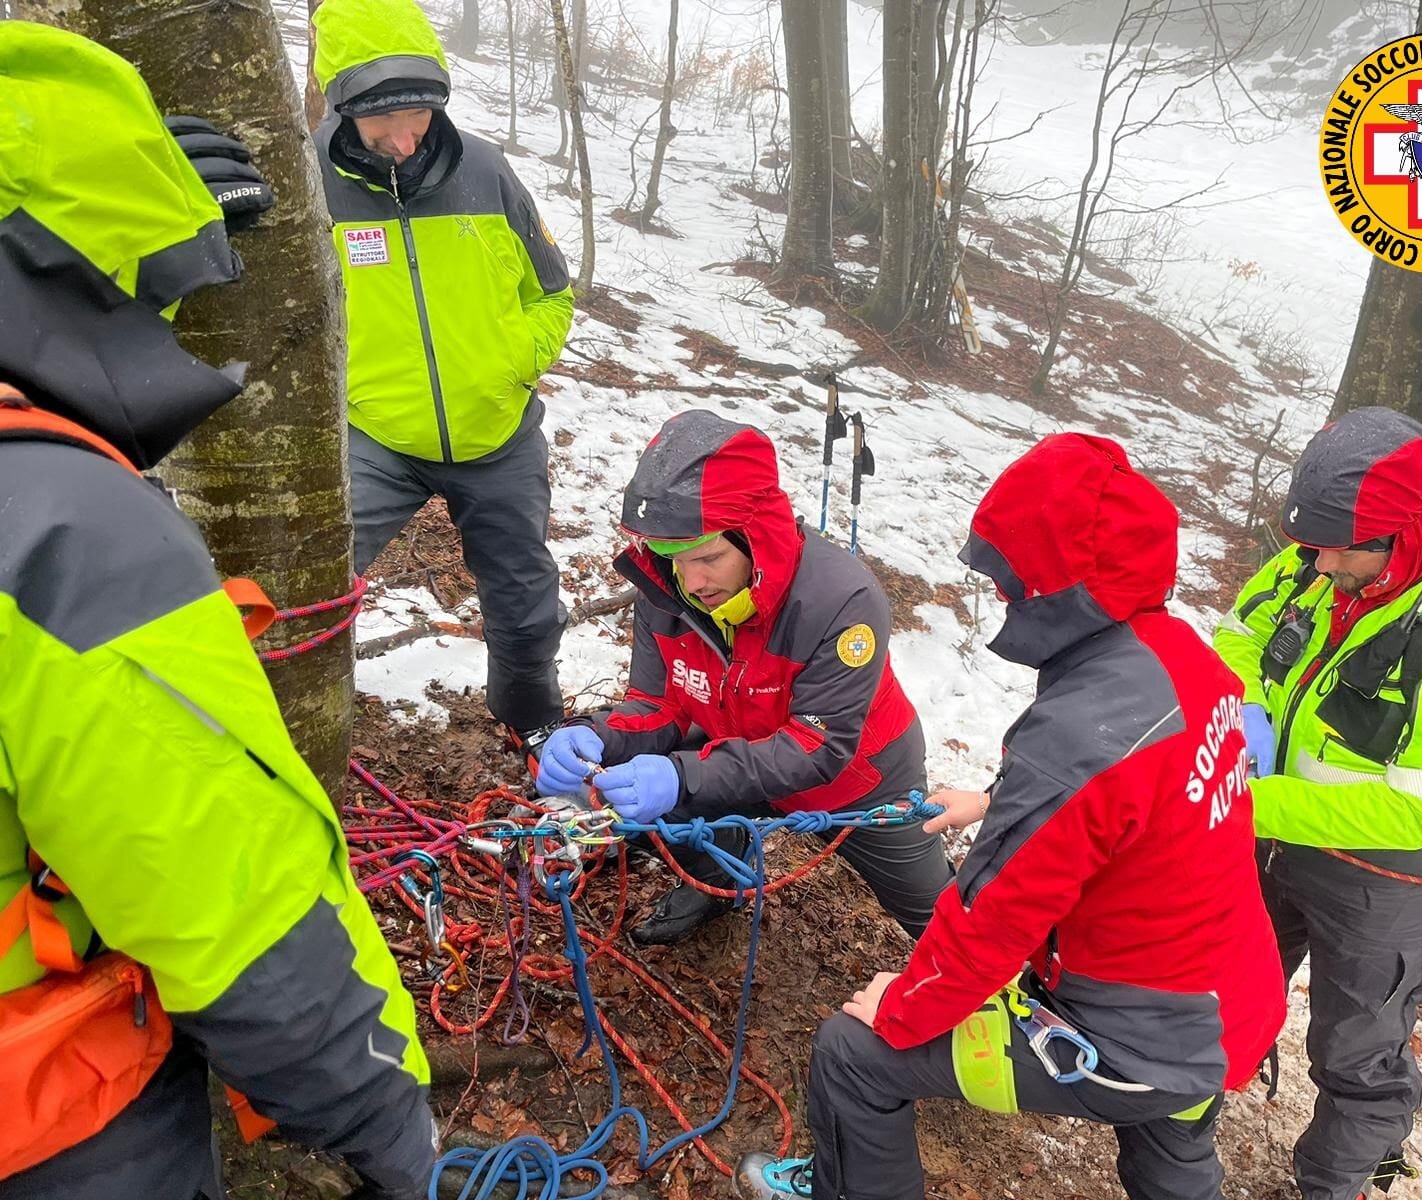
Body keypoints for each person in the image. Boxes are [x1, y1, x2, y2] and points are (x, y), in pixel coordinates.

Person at [0, 24, 434, 1200]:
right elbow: (235, 912)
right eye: (149, 293)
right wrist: (379, 1110)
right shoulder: (61, 527)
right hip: (52, 1119)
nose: (170, 331)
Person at [732, 433, 1286, 1200]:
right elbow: (1149, 805)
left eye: (1012, 578)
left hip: (1134, 1033)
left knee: (853, 1053)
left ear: (1067, 585)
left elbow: (994, 916)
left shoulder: (1079, 732)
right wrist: (1003, 803)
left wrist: (902, 1005)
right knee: (1173, 1149)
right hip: (1231, 1005)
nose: (1000, 595)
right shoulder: (1185, 658)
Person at [1213, 407, 1422, 1200]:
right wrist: (1253, 742)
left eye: (1340, 546)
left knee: (1356, 1059)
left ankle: (1335, 1184)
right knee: (1221, 984)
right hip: (1273, 840)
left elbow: (1412, 813)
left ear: (1414, 535)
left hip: (1382, 885)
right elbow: (1241, 643)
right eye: (1311, 541)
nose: (1318, 561)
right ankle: (1179, 1114)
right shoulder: (1312, 565)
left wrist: (1250, 799)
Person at [535, 409, 952, 945]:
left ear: (756, 539)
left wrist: (683, 775)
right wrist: (597, 733)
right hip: (732, 746)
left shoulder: (840, 600)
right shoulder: (669, 585)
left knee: (932, 913)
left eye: (708, 558)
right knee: (654, 798)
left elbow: (816, 746)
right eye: (671, 558)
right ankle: (718, 883)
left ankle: (1014, 996)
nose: (692, 581)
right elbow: (659, 703)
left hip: (859, 781)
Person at [312, 0, 575, 756]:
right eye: (380, 122)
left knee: (525, 603)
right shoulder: (309, 178)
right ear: (342, 108)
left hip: (496, 431)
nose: (402, 138)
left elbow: (553, 290)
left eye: (417, 116)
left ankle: (533, 721)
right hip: (377, 433)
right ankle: (307, 724)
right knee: (315, 582)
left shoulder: (486, 170)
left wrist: (512, 362)